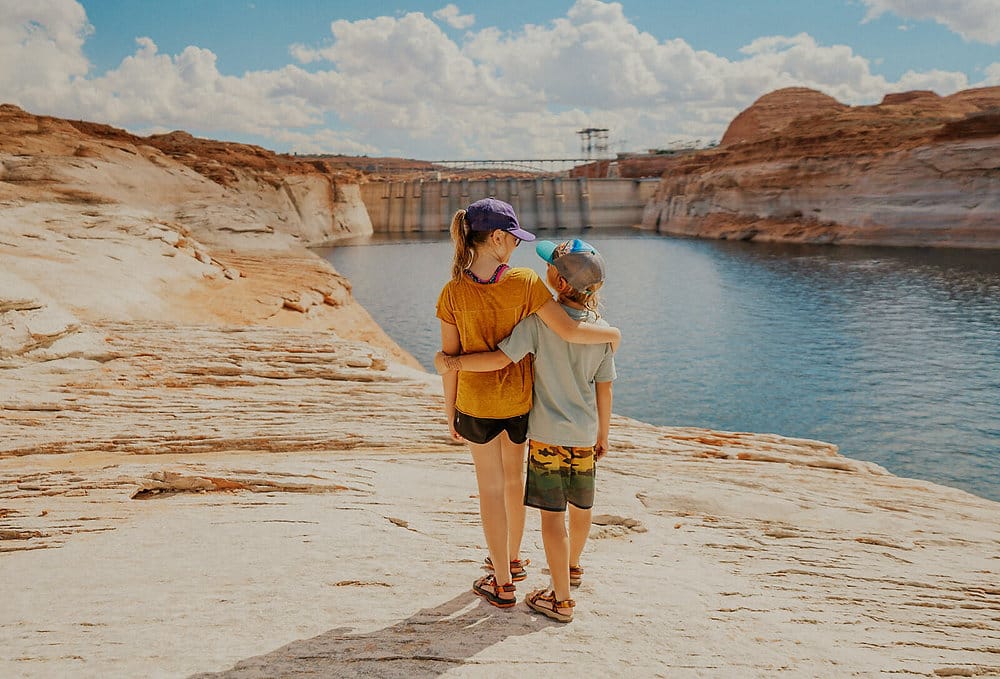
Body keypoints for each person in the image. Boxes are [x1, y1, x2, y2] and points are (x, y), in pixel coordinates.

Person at [435, 199, 620, 610]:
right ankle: (517, 559)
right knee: (513, 484)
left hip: (474, 404)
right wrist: (613, 334)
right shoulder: (526, 283)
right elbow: (571, 331)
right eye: (514, 239)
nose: (516, 247)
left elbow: (451, 361)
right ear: (498, 238)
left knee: (489, 491)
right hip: (519, 406)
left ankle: (502, 581)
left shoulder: (451, 292)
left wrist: (450, 412)